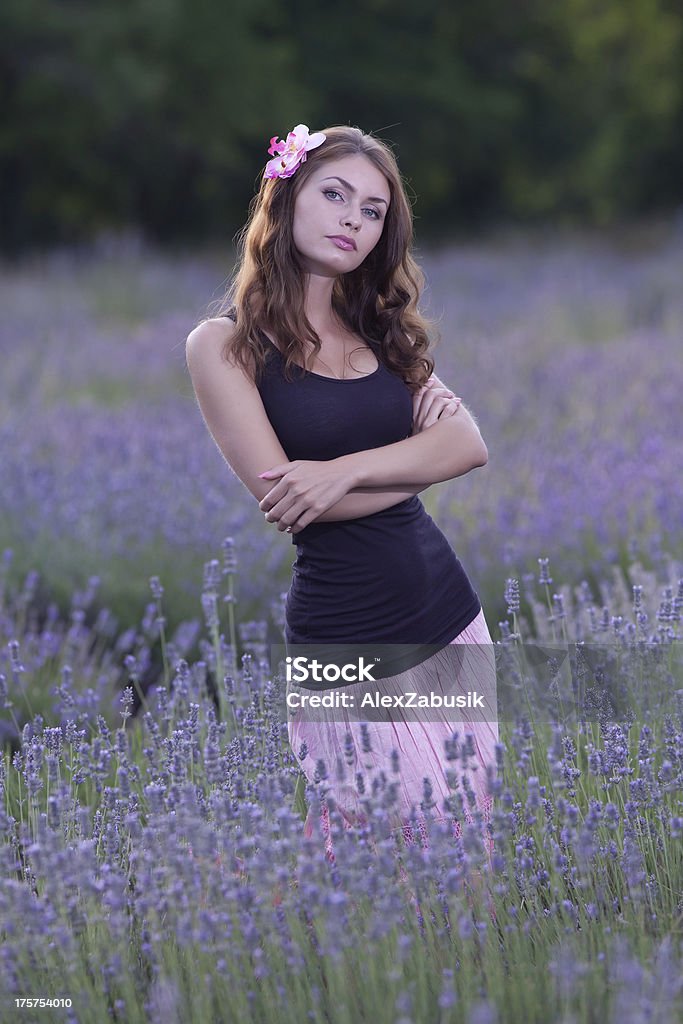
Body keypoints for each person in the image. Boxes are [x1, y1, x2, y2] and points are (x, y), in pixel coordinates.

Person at [185, 123, 499, 866]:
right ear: (286, 198)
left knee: (468, 845)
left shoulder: (382, 333)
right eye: (334, 195)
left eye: (371, 209)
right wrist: (391, 466)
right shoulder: (224, 346)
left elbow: (469, 445)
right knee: (372, 852)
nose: (352, 220)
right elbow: (290, 503)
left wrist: (340, 469)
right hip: (345, 629)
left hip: (450, 617)